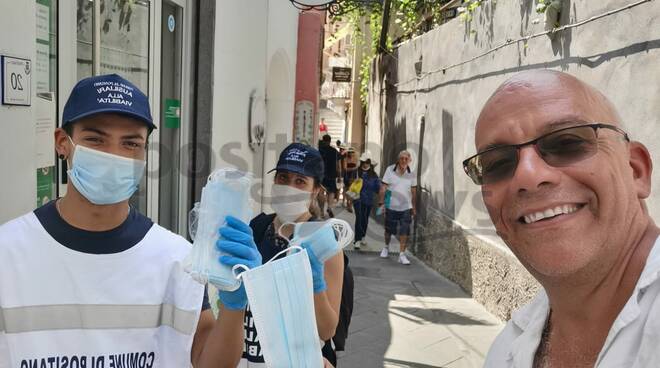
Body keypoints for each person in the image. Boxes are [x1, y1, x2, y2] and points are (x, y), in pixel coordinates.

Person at [0, 74, 260, 367]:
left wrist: (234, 304)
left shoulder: (176, 260)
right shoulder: (8, 253)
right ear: (63, 142)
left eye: (130, 144)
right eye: (95, 140)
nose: (114, 155)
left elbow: (209, 362)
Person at [463, 70, 659, 367]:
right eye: (498, 164)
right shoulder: (507, 349)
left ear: (636, 171)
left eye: (567, 143)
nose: (528, 176)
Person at [242, 143, 345, 367]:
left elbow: (327, 330)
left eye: (300, 181)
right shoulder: (257, 227)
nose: (288, 186)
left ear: (315, 190)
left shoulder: (323, 242)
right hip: (249, 356)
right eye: (283, 177)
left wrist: (316, 284)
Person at [378, 150, 417, 265]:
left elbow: (414, 191)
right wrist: (381, 202)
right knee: (389, 230)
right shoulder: (390, 170)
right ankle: (386, 247)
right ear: (398, 160)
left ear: (409, 160)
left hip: (406, 207)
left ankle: (401, 254)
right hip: (391, 205)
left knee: (405, 230)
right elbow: (384, 187)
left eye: (406, 159)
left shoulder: (412, 173)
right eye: (402, 158)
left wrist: (414, 207)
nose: (404, 161)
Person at [352, 152, 381, 250]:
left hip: (369, 200)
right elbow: (349, 182)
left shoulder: (374, 175)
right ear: (361, 162)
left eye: (367, 162)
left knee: (365, 219)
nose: (365, 163)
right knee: (359, 218)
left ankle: (363, 236)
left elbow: (377, 188)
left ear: (370, 163)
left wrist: (383, 189)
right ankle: (357, 240)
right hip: (357, 199)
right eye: (364, 161)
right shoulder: (356, 172)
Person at [318, 134, 341, 218]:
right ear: (330, 141)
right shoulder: (335, 151)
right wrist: (339, 176)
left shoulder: (319, 150)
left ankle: (321, 211)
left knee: (321, 192)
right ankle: (329, 207)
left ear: (323, 140)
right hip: (332, 174)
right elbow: (338, 165)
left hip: (321, 174)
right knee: (331, 192)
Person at [343, 147, 358, 211]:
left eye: (352, 152)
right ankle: (348, 202)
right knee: (347, 190)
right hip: (347, 176)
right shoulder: (345, 159)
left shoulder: (356, 159)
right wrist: (353, 169)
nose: (351, 153)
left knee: (352, 191)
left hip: (354, 176)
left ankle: (350, 205)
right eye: (350, 152)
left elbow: (357, 168)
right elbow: (345, 168)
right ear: (348, 153)